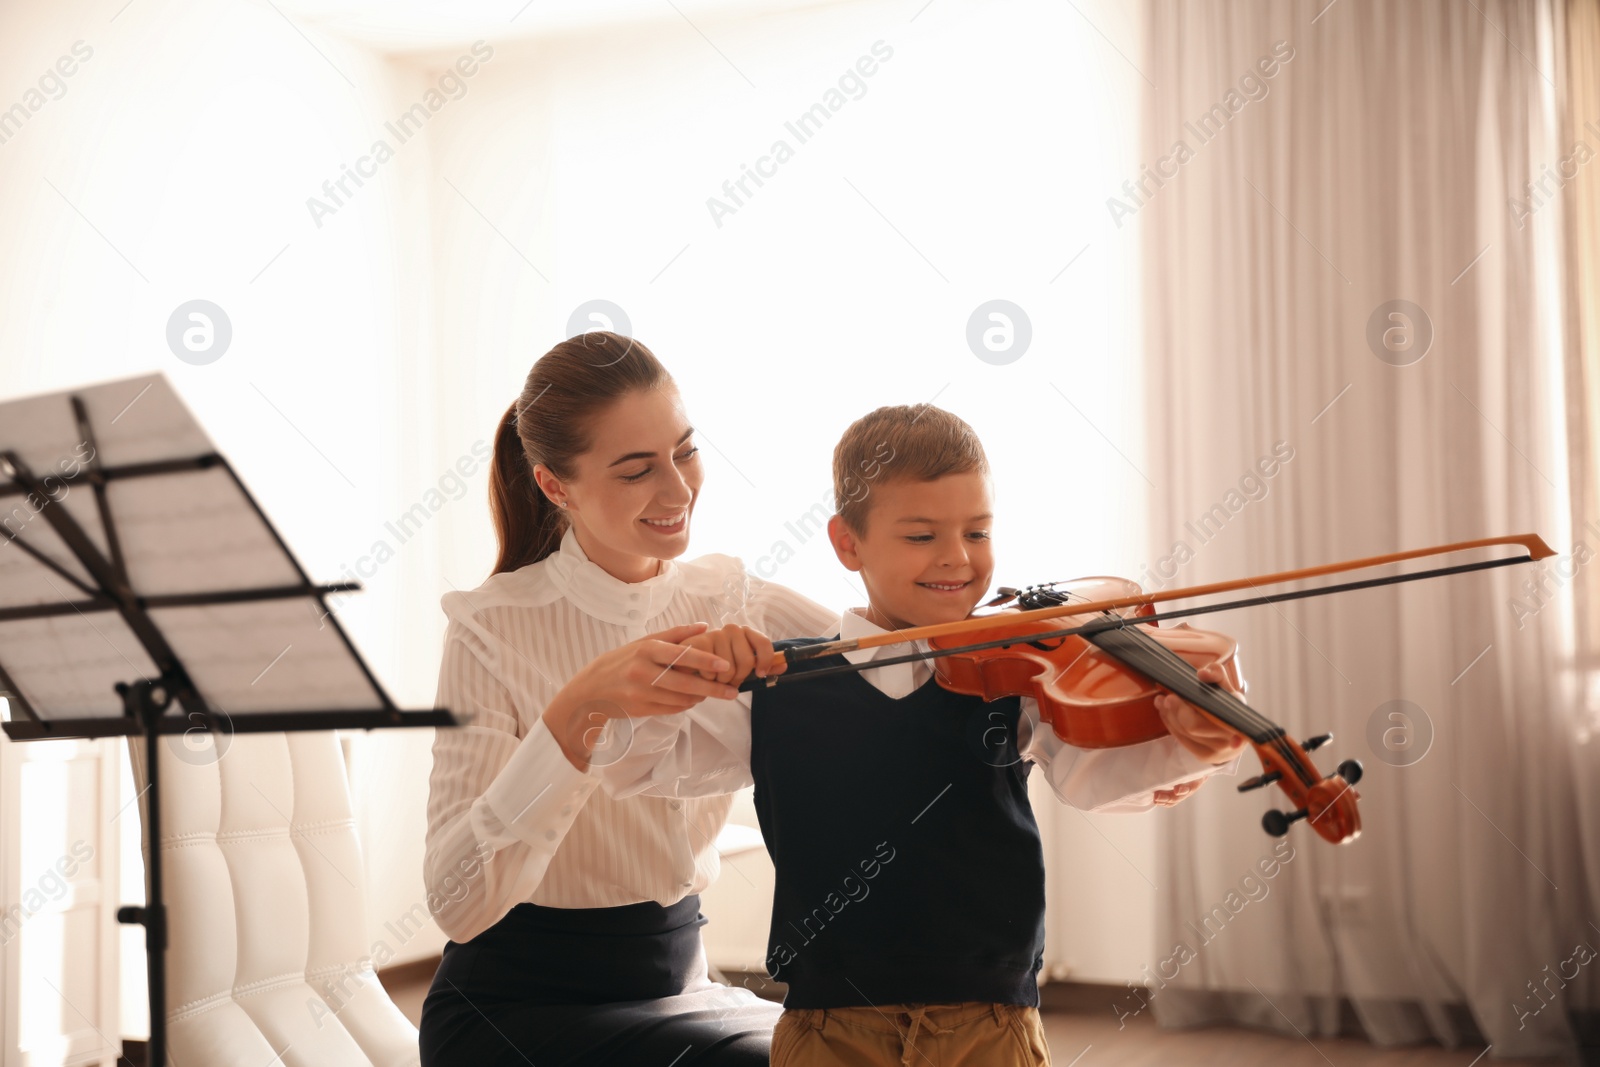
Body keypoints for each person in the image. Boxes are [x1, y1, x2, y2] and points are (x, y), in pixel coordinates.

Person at [609, 403, 1246, 1066]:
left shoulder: (1014, 676)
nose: (957, 558)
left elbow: (1095, 777)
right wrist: (683, 670)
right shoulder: (776, 684)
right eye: (922, 535)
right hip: (829, 1029)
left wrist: (1194, 738)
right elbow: (630, 762)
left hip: (991, 1022)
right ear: (847, 542)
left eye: (978, 531)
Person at [417, 331, 838, 1066]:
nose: (678, 490)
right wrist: (574, 714)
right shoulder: (488, 625)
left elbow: (891, 660)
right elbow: (455, 900)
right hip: (515, 1008)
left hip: (685, 986)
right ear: (556, 485)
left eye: (686, 450)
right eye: (637, 469)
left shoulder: (730, 593)